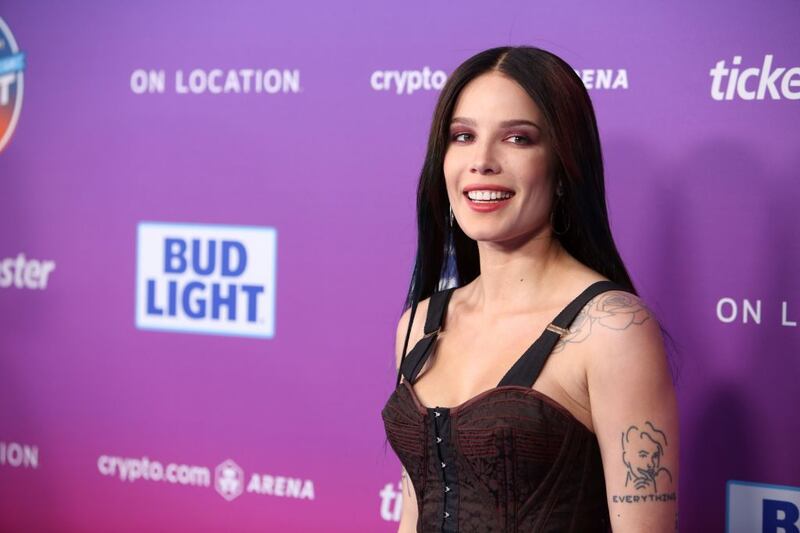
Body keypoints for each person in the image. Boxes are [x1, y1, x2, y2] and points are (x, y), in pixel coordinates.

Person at [381, 46, 679, 532]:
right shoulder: (419, 324)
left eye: (517, 139)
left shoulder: (612, 329)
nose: (482, 162)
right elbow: (413, 513)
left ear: (563, 168)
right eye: (463, 136)